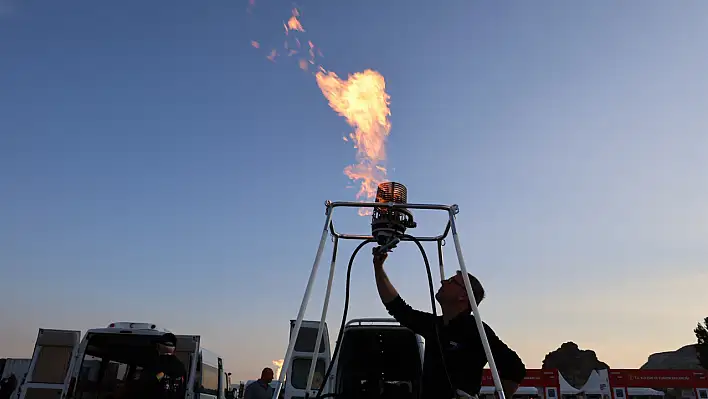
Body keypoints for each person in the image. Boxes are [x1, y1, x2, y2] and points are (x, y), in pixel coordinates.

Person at [373, 249, 526, 399]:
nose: (443, 281)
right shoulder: (434, 325)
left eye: (452, 281)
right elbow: (399, 309)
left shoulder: (476, 330)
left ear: (463, 296)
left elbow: (515, 369)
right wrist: (378, 269)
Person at [127, 332, 187, 399]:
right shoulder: (180, 366)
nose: (157, 349)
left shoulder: (159, 364)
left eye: (158, 346)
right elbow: (182, 389)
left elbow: (149, 382)